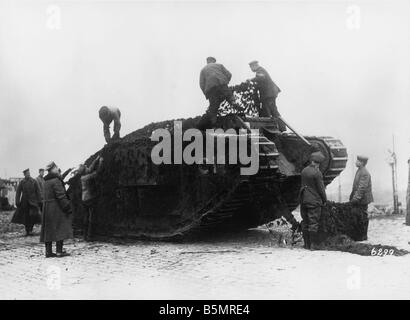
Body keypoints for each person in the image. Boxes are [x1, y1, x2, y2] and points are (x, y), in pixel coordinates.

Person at [40, 162, 73, 258]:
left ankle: (48, 252)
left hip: (47, 208)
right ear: (53, 169)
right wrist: (67, 207)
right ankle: (59, 251)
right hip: (56, 207)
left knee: (48, 230)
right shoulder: (56, 180)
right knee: (60, 227)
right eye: (56, 167)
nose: (58, 169)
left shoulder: (45, 181)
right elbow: (61, 196)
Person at [299, 152, 327, 250]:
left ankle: (306, 244)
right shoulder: (317, 173)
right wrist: (324, 200)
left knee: (305, 221)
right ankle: (313, 245)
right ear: (318, 163)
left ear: (312, 161)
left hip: (303, 200)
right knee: (313, 222)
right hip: (314, 201)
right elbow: (321, 189)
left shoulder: (304, 170)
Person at [248, 61, 286, 131]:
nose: (251, 69)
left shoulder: (260, 70)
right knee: (272, 110)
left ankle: (275, 128)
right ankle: (279, 128)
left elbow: (262, 77)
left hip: (269, 93)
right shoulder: (260, 70)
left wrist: (251, 80)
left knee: (270, 110)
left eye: (251, 67)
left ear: (255, 66)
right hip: (270, 93)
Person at [199, 57, 236, 127]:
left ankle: (214, 124)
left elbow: (201, 84)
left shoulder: (203, 70)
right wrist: (226, 82)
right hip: (222, 85)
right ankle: (235, 107)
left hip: (211, 89)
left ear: (207, 62)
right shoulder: (219, 65)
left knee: (213, 107)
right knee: (230, 97)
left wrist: (206, 93)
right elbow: (229, 74)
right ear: (214, 61)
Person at [349, 155, 373, 241]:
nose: (356, 162)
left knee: (362, 217)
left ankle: (363, 236)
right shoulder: (360, 171)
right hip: (360, 199)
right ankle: (360, 235)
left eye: (357, 161)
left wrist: (355, 199)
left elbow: (361, 188)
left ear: (362, 163)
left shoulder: (364, 173)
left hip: (362, 200)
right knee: (359, 217)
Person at [11, 169, 42, 236]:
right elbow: (18, 192)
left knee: (33, 216)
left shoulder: (34, 181)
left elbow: (38, 192)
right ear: (24, 174)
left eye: (29, 173)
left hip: (33, 202)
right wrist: (17, 201)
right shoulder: (22, 182)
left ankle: (30, 229)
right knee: (26, 217)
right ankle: (27, 230)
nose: (28, 174)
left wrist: (39, 201)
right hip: (24, 203)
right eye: (26, 173)